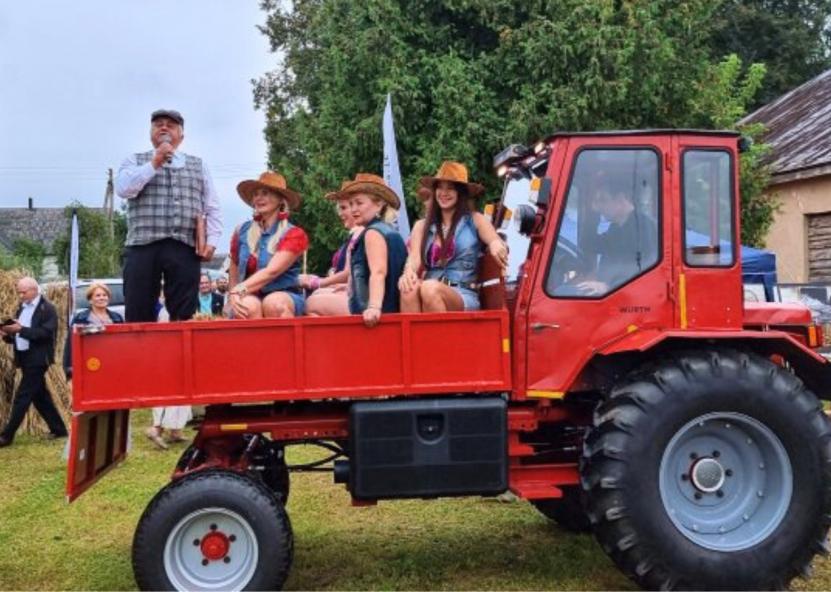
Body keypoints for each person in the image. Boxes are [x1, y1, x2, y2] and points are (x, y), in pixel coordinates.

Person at [115, 109, 223, 322]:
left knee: (184, 311)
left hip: (184, 246)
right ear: (150, 133)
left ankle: (181, 353)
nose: (164, 127)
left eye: (170, 125)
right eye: (158, 124)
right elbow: (124, 189)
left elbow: (212, 205)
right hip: (142, 246)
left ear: (181, 136)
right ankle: (140, 354)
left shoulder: (198, 165)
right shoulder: (135, 160)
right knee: (138, 308)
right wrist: (155, 162)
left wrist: (212, 240)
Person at [399, 161, 507, 312]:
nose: (444, 193)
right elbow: (415, 257)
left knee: (430, 288)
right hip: (429, 289)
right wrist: (408, 271)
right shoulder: (421, 226)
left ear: (460, 193)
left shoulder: (475, 220)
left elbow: (495, 240)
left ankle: (439, 336)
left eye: (450, 188)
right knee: (408, 288)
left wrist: (495, 244)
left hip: (462, 293)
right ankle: (415, 336)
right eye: (440, 188)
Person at [227, 171, 309, 319]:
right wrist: (231, 296)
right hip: (249, 294)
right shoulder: (242, 231)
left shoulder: (294, 233)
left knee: (275, 304)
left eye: (265, 193)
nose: (259, 198)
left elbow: (272, 271)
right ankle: (253, 343)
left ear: (280, 200)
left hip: (285, 293)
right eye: (256, 194)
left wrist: (238, 290)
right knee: (246, 308)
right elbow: (234, 263)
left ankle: (286, 342)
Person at [0, 277, 67, 447]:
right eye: (19, 292)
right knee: (39, 396)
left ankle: (6, 436)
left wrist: (20, 330)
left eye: (24, 292)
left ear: (34, 289)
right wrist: (8, 334)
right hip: (24, 357)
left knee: (23, 396)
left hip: (38, 359)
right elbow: (19, 333)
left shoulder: (47, 309)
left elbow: (44, 334)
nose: (21, 295)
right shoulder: (21, 308)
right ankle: (59, 429)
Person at [340, 173, 407, 327]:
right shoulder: (387, 230)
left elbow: (378, 272)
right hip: (387, 310)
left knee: (312, 303)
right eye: (351, 204)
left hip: (375, 316)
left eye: (359, 203)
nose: (353, 209)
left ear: (379, 204)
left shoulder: (372, 233)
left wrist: (373, 307)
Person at [576, 179, 658, 296]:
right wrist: (593, 215)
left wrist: (609, 287)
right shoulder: (617, 228)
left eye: (603, 200)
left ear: (620, 200)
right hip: (614, 293)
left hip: (629, 298)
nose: (598, 207)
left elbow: (647, 271)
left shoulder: (645, 229)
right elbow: (589, 244)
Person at [299, 183, 364, 316]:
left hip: (363, 298)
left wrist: (318, 282)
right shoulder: (354, 234)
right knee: (313, 295)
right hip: (353, 290)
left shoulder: (363, 233)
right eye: (339, 208)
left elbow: (348, 273)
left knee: (309, 303)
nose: (340, 213)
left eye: (344, 207)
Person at [63, 282, 125, 379]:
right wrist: (70, 368)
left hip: (112, 362)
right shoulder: (80, 318)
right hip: (90, 363)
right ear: (90, 300)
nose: (102, 298)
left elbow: (123, 343)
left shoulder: (117, 318)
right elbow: (71, 344)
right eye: (97, 295)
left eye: (105, 295)